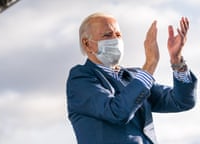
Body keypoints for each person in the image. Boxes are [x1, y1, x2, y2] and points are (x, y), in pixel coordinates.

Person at [66, 12, 197, 144]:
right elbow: (117, 112)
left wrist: (177, 61)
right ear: (87, 44)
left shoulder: (134, 76)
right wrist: (150, 64)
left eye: (118, 35)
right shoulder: (81, 78)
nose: (115, 40)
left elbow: (181, 101)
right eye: (107, 35)